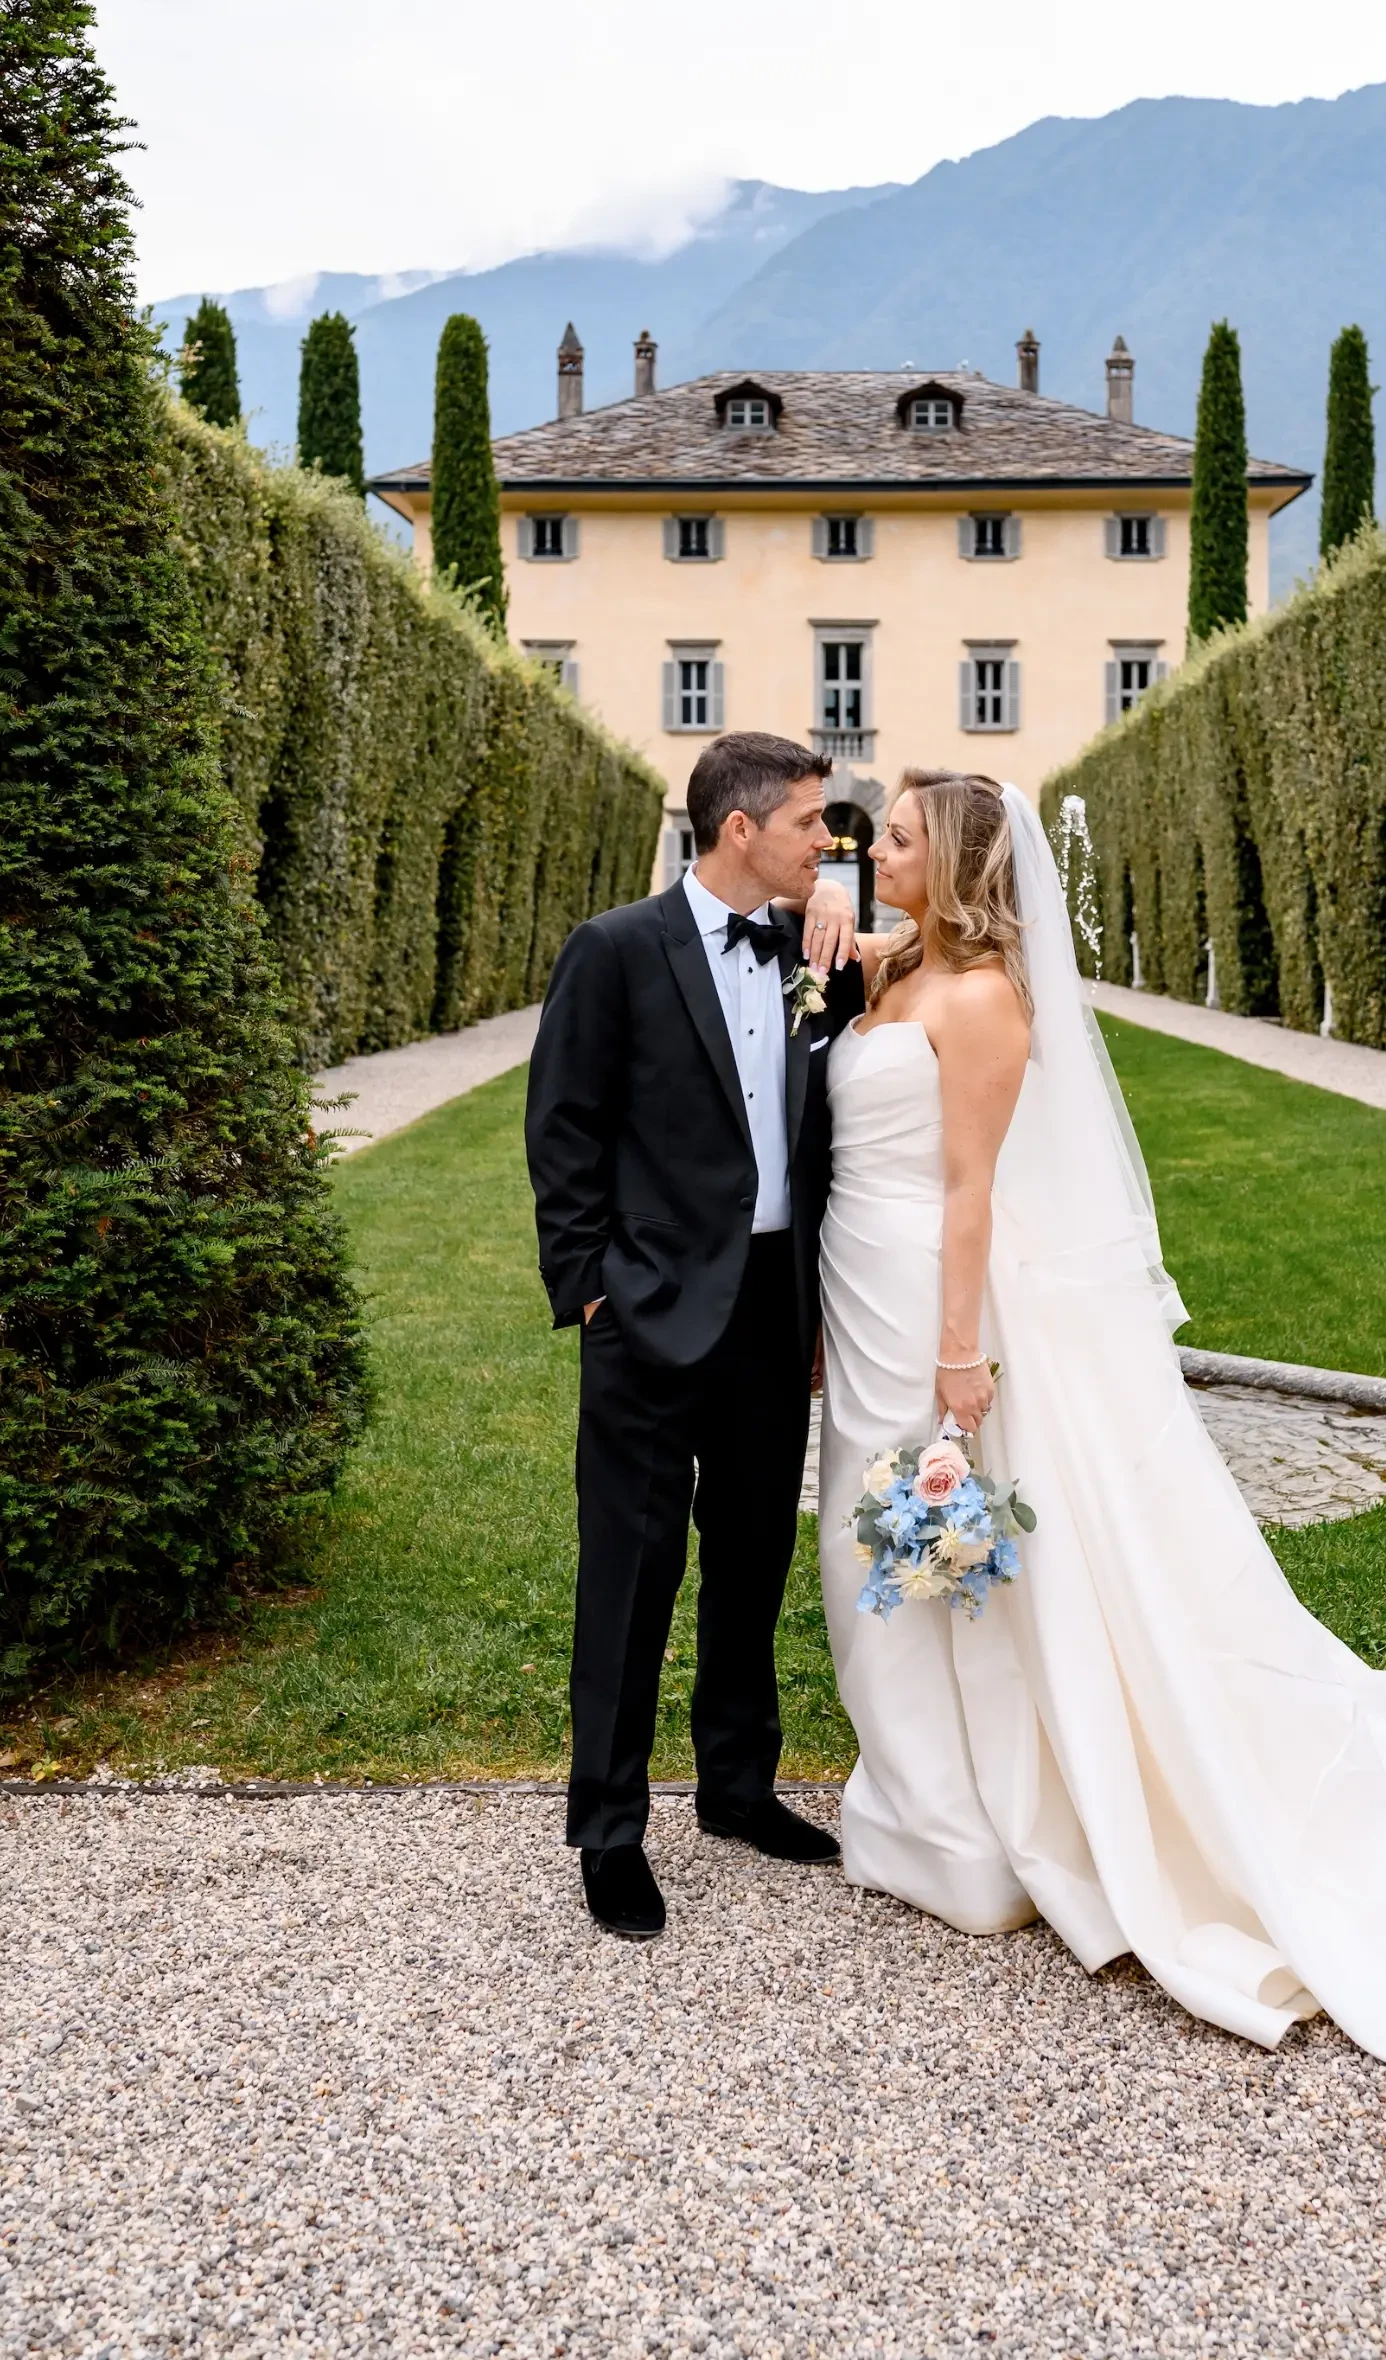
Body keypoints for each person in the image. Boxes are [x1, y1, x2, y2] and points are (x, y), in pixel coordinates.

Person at [816, 768, 1386, 2126]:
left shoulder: (987, 1000)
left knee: (925, 1541)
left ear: (948, 863)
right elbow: (845, 975)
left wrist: (957, 1356)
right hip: (851, 1278)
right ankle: (924, 1797)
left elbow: (970, 1194)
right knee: (882, 1538)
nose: (867, 845)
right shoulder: (889, 968)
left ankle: (964, 1827)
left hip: (929, 1301)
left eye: (891, 838)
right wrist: (836, 920)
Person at [526, 731, 862, 1940]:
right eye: (811, 822)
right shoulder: (615, 950)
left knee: (752, 1556)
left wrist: (831, 907)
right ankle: (609, 1830)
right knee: (630, 1569)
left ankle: (735, 1786)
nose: (827, 839)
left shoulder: (807, 948)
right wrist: (592, 1289)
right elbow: (562, 1127)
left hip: (774, 1307)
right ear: (740, 827)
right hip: (648, 1308)